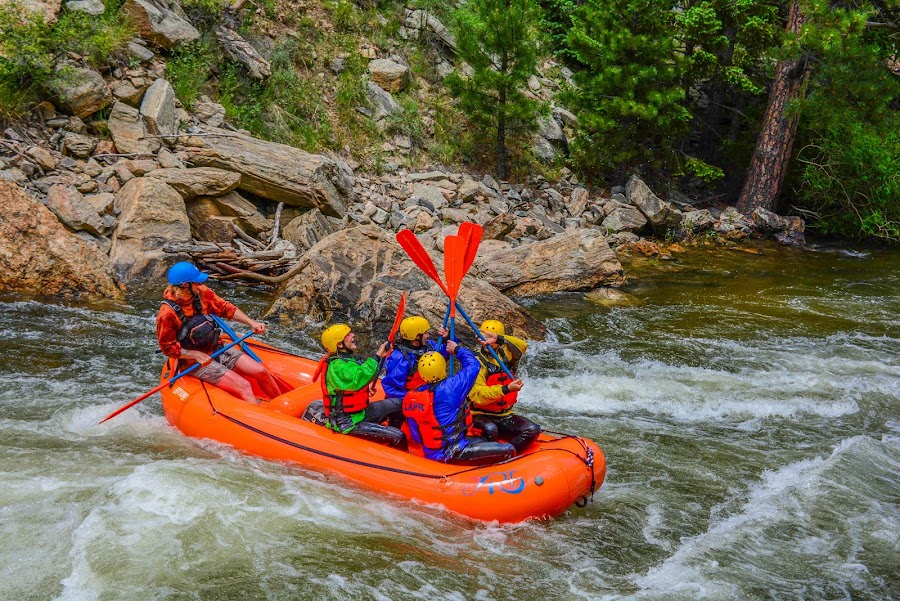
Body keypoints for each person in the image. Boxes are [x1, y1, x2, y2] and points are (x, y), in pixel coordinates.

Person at [156, 261, 279, 404]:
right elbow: (168, 348)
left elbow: (226, 308)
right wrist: (196, 355)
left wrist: (252, 323)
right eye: (196, 282)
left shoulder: (201, 293)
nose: (200, 284)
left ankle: (283, 407)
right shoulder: (167, 314)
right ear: (185, 285)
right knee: (244, 386)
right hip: (194, 363)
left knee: (260, 371)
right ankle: (260, 421)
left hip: (217, 348)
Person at [403, 341, 516, 465]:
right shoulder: (452, 387)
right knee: (508, 449)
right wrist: (457, 350)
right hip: (454, 452)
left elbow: (417, 436)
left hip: (432, 451)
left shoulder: (412, 396)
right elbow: (473, 365)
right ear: (442, 369)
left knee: (482, 440)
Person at [315, 323, 405, 448]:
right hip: (346, 423)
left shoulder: (347, 360)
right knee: (399, 436)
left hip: (360, 413)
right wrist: (377, 356)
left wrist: (367, 388)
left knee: (399, 403)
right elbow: (358, 377)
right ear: (339, 344)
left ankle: (384, 436)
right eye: (348, 335)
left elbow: (359, 379)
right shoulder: (338, 367)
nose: (353, 335)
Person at [468, 320, 541, 454]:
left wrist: (500, 339)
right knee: (491, 430)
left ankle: (508, 455)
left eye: (490, 339)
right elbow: (477, 395)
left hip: (504, 414)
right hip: (479, 415)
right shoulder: (475, 362)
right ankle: (491, 457)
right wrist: (506, 389)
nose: (486, 342)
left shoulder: (505, 353)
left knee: (532, 429)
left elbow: (523, 346)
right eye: (483, 338)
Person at [381, 316, 448, 400]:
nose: (428, 335)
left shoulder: (428, 346)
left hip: (428, 393)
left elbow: (445, 353)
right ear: (417, 337)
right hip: (410, 400)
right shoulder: (399, 357)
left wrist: (447, 338)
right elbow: (391, 389)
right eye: (425, 333)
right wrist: (415, 398)